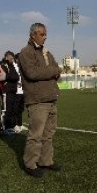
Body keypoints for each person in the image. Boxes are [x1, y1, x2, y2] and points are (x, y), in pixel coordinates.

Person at [19, 22, 62, 178]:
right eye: (42, 34)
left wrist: (53, 71)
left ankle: (46, 161)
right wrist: (52, 71)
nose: (45, 37)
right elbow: (32, 73)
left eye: (45, 34)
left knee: (48, 134)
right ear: (33, 35)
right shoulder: (25, 52)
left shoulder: (47, 52)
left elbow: (57, 70)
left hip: (50, 98)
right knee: (35, 135)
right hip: (37, 100)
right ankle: (30, 164)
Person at [1, 51, 23, 134]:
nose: (12, 59)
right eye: (10, 58)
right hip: (7, 91)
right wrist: (13, 78)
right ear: (6, 57)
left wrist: (13, 78)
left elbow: (16, 76)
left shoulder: (12, 66)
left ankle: (11, 126)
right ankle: (5, 128)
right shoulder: (3, 65)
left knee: (12, 110)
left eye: (12, 58)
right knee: (7, 110)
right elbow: (6, 76)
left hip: (13, 90)